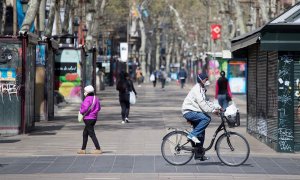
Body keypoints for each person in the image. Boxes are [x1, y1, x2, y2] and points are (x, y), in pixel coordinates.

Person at [182, 73, 221, 160]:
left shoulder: (202, 89)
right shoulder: (197, 89)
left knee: (201, 132)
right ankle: (191, 135)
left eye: (207, 79)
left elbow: (207, 101)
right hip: (189, 111)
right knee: (206, 118)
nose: (207, 81)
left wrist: (218, 107)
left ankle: (199, 154)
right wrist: (212, 111)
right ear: (201, 80)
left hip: (195, 111)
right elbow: (203, 104)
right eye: (205, 79)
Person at [77, 85, 102, 154]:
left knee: (91, 134)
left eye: (85, 91)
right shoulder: (95, 98)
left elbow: (84, 108)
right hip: (94, 118)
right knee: (85, 133)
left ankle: (98, 148)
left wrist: (81, 112)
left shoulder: (87, 99)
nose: (84, 92)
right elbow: (99, 108)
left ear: (87, 92)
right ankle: (83, 149)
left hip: (88, 118)